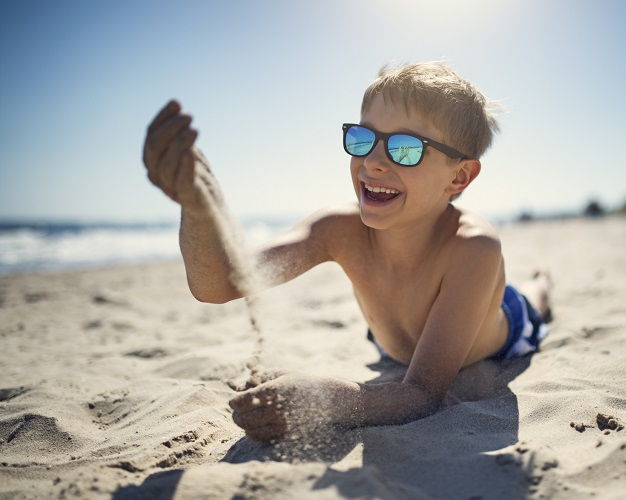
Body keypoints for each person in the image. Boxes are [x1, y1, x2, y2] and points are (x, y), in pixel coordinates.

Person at [141, 62, 553, 443]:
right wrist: (198, 208)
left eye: (404, 148)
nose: (373, 162)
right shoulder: (338, 231)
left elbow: (423, 393)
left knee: (529, 302)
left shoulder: (473, 247)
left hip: (501, 333)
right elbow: (218, 285)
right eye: (363, 138)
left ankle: (540, 285)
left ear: (459, 175)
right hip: (390, 339)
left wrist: (328, 399)